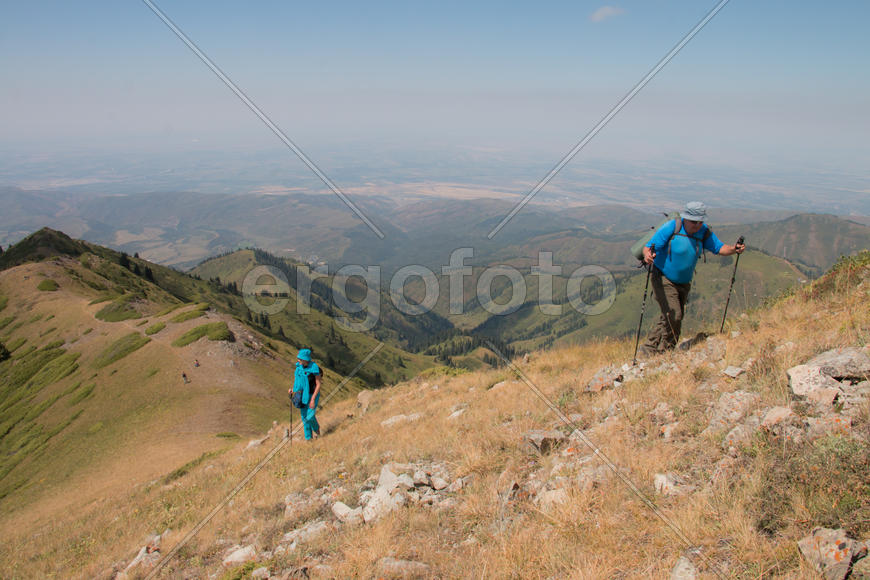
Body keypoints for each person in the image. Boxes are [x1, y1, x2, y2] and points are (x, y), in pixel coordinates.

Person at [641, 201, 745, 354]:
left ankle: (648, 349)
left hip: (684, 282)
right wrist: (647, 255)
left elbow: (719, 248)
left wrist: (734, 249)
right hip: (663, 277)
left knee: (669, 315)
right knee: (674, 314)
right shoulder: (672, 227)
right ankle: (666, 352)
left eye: (699, 222)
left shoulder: (703, 232)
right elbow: (648, 247)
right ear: (685, 218)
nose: (696, 225)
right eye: (693, 222)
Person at [290, 348, 323, 441]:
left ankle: (317, 429)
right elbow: (298, 382)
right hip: (302, 395)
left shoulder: (314, 368)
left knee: (310, 416)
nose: (298, 360)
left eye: (300, 359)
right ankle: (308, 439)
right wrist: (293, 390)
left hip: (313, 395)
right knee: (304, 417)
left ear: (305, 359)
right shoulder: (299, 368)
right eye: (298, 358)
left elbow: (318, 384)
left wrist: (313, 399)